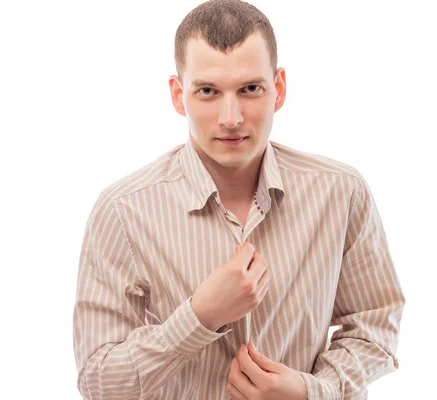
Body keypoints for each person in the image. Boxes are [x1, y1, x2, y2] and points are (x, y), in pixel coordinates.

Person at [72, 0, 405, 398]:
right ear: (179, 96)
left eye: (250, 88)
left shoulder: (343, 193)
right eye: (208, 91)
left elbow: (376, 326)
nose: (231, 117)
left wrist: (313, 391)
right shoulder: (122, 212)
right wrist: (199, 316)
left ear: (278, 89)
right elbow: (98, 381)